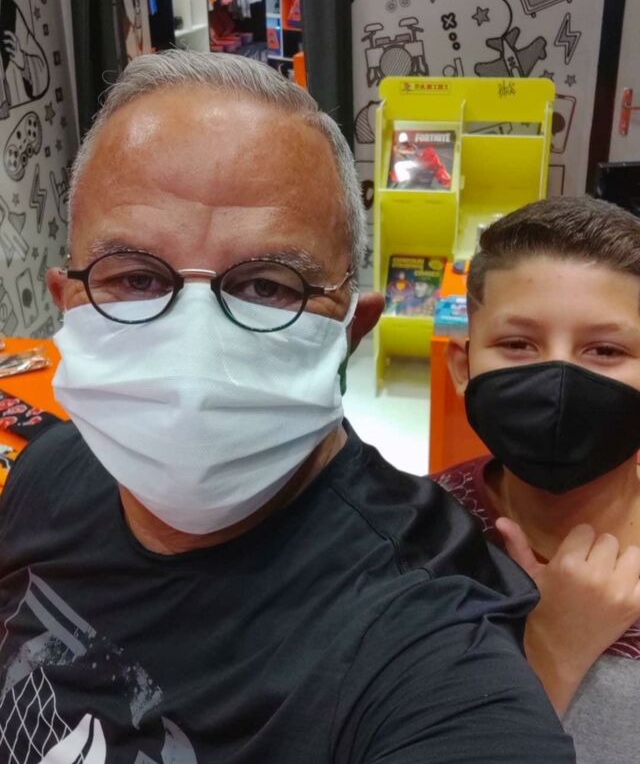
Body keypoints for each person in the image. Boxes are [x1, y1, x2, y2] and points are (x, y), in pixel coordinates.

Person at [0, 50, 574, 763]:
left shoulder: (424, 632)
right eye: (137, 277)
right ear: (67, 303)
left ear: (351, 330)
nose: (193, 351)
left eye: (267, 287)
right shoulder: (49, 470)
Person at [439, 196, 640, 764]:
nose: (559, 381)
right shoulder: (409, 535)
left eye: (605, 350)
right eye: (518, 344)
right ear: (464, 367)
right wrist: (550, 652)